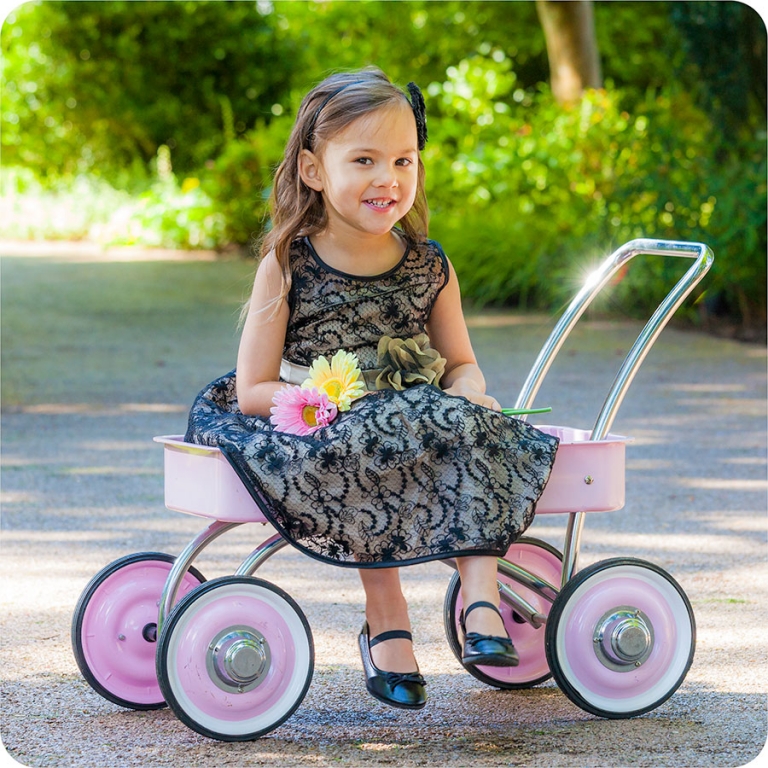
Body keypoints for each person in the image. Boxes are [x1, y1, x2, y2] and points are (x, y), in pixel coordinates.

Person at [185, 67, 559, 711]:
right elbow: (252, 389)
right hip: (317, 422)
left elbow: (461, 363)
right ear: (312, 170)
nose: (389, 178)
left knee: (474, 426)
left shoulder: (430, 266)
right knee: (370, 439)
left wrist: (470, 391)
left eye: (404, 160)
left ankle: (482, 600)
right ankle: (385, 616)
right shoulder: (288, 262)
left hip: (419, 416)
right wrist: (333, 402)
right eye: (364, 160)